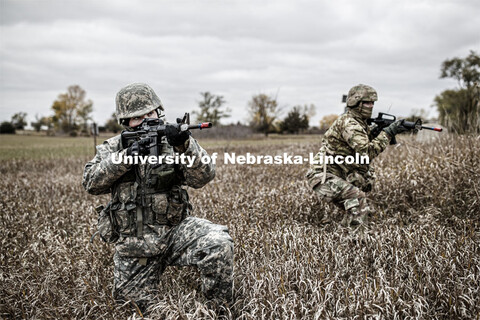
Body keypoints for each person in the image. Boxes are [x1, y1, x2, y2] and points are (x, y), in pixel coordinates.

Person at [82, 83, 233, 311]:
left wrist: (185, 145)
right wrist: (126, 158)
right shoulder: (114, 147)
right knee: (132, 308)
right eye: (137, 118)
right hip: (135, 244)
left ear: (159, 112)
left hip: (175, 232)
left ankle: (219, 311)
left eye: (150, 114)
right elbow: (91, 183)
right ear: (126, 122)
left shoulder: (173, 143)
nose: (146, 121)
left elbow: (203, 176)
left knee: (218, 241)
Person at [306, 84, 408, 228]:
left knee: (363, 190)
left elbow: (359, 146)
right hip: (322, 177)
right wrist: (387, 133)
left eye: (372, 103)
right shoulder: (350, 124)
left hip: (337, 174)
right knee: (357, 198)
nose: (371, 106)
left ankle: (344, 232)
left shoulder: (359, 124)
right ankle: (358, 241)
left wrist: (376, 133)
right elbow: (366, 153)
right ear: (355, 102)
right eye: (367, 102)